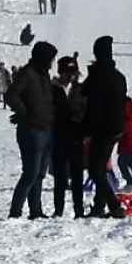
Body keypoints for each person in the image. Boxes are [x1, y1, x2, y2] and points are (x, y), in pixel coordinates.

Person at [5, 41, 57, 219]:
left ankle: (36, 210)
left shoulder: (44, 75)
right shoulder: (26, 74)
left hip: (47, 128)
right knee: (30, 173)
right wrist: (26, 114)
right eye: (50, 59)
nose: (52, 63)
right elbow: (11, 96)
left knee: (40, 173)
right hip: (31, 131)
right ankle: (15, 212)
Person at [81, 36, 128, 218]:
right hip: (116, 128)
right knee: (100, 167)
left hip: (102, 128)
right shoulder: (118, 76)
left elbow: (94, 106)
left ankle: (114, 205)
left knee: (94, 169)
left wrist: (86, 130)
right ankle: (100, 206)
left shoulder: (99, 77)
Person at [51, 55, 86, 218]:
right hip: (58, 136)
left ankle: (79, 209)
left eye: (73, 72)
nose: (71, 76)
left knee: (77, 175)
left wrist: (80, 120)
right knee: (60, 176)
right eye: (67, 72)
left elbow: (86, 110)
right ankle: (58, 209)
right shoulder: (52, 89)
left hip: (77, 137)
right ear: (61, 72)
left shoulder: (80, 89)